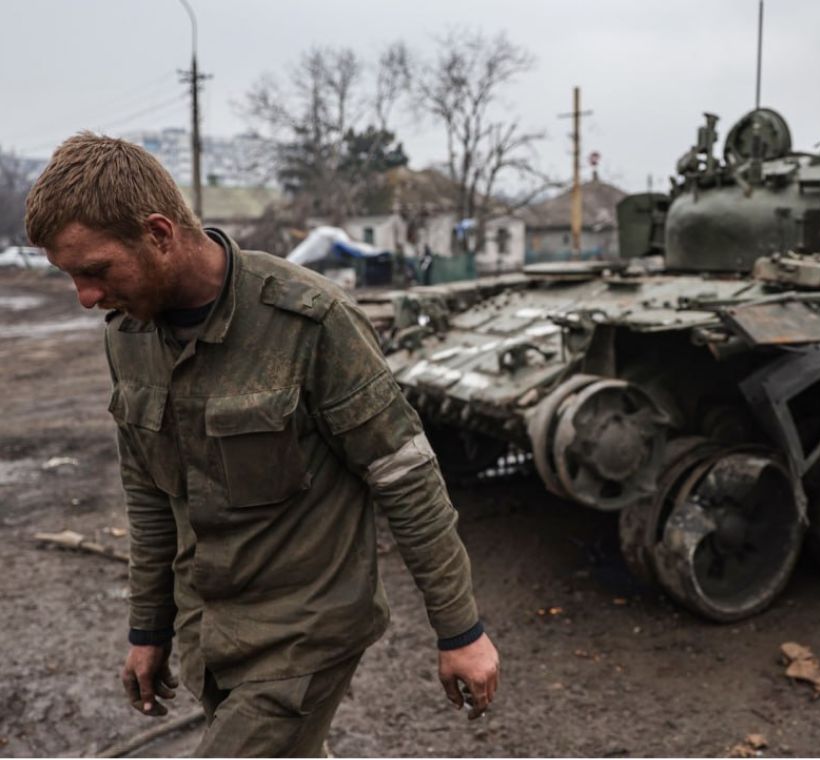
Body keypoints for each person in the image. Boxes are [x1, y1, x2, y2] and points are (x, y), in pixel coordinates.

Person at [24, 133, 499, 756]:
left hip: (306, 633)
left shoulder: (310, 321)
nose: (86, 298)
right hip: (210, 635)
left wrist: (460, 629)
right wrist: (150, 627)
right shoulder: (130, 335)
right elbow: (148, 492)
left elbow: (406, 477)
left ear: (160, 234)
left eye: (94, 271)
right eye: (71, 278)